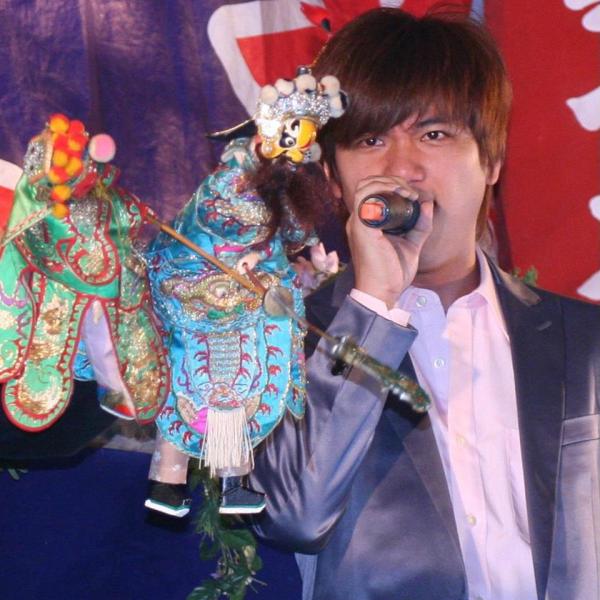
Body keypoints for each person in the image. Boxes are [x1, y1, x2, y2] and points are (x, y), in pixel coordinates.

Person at [248, 7, 600, 600]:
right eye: (371, 139)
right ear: (333, 178)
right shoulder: (286, 338)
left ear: (491, 160)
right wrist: (374, 305)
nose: (402, 168)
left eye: (434, 135)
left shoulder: (584, 342)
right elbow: (293, 516)